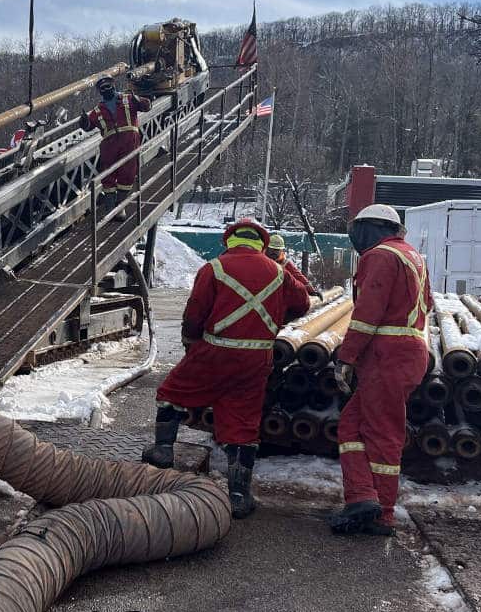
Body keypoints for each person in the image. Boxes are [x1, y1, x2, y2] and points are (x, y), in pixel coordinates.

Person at [144, 218, 310, 518]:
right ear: (261, 243)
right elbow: (303, 304)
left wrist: (191, 341)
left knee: (172, 392)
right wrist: (274, 320)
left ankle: (163, 451)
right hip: (256, 358)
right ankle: (238, 495)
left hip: (214, 351)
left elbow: (195, 312)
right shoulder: (279, 272)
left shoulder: (214, 268)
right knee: (243, 423)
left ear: (229, 240)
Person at [329, 204, 432, 536]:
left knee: (383, 433)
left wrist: (347, 357)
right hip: (407, 352)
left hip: (388, 356)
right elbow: (427, 304)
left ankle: (381, 515)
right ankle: (363, 499)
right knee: (351, 426)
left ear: (368, 229)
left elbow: (367, 314)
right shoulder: (412, 256)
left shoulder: (380, 256)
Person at [80, 75, 152, 212]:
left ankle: (120, 205)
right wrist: (84, 122)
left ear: (113, 86)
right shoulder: (98, 110)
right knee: (108, 172)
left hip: (129, 140)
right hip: (109, 144)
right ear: (100, 91)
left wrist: (139, 100)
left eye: (108, 86)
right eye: (103, 88)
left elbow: (146, 106)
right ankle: (110, 206)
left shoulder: (128, 99)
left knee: (128, 171)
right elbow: (89, 126)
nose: (106, 89)